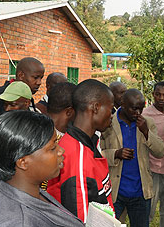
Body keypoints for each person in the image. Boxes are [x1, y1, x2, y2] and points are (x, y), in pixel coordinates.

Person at [0, 110, 83, 227]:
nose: (61, 151)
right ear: (23, 162)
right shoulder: (17, 222)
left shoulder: (26, 190)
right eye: (52, 148)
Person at [46, 79, 115, 223]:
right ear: (95, 107)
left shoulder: (90, 143)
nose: (112, 114)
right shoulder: (76, 156)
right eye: (111, 108)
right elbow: (80, 220)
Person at [101, 89, 164, 227]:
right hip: (115, 192)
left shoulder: (146, 122)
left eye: (141, 109)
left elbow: (160, 151)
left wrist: (146, 132)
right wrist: (116, 154)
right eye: (134, 109)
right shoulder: (108, 122)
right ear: (122, 104)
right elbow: (97, 154)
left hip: (141, 192)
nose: (138, 113)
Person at [142, 81, 164, 227]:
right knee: (148, 209)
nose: (161, 98)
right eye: (158, 94)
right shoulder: (145, 115)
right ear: (153, 95)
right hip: (153, 169)